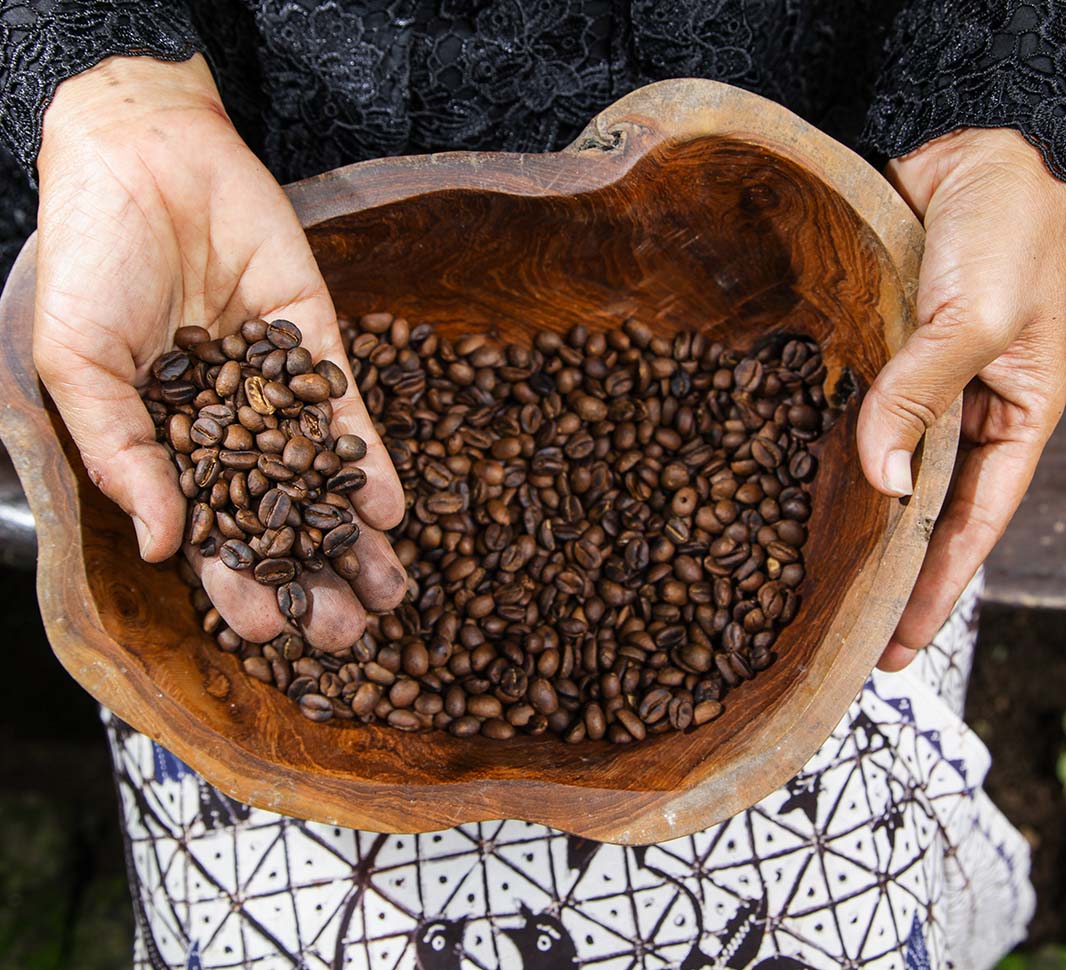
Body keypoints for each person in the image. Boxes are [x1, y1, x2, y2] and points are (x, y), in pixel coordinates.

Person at [1, 2, 1063, 967]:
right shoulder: (253, 395)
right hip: (230, 209)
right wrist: (106, 84)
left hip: (795, 257)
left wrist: (998, 115)